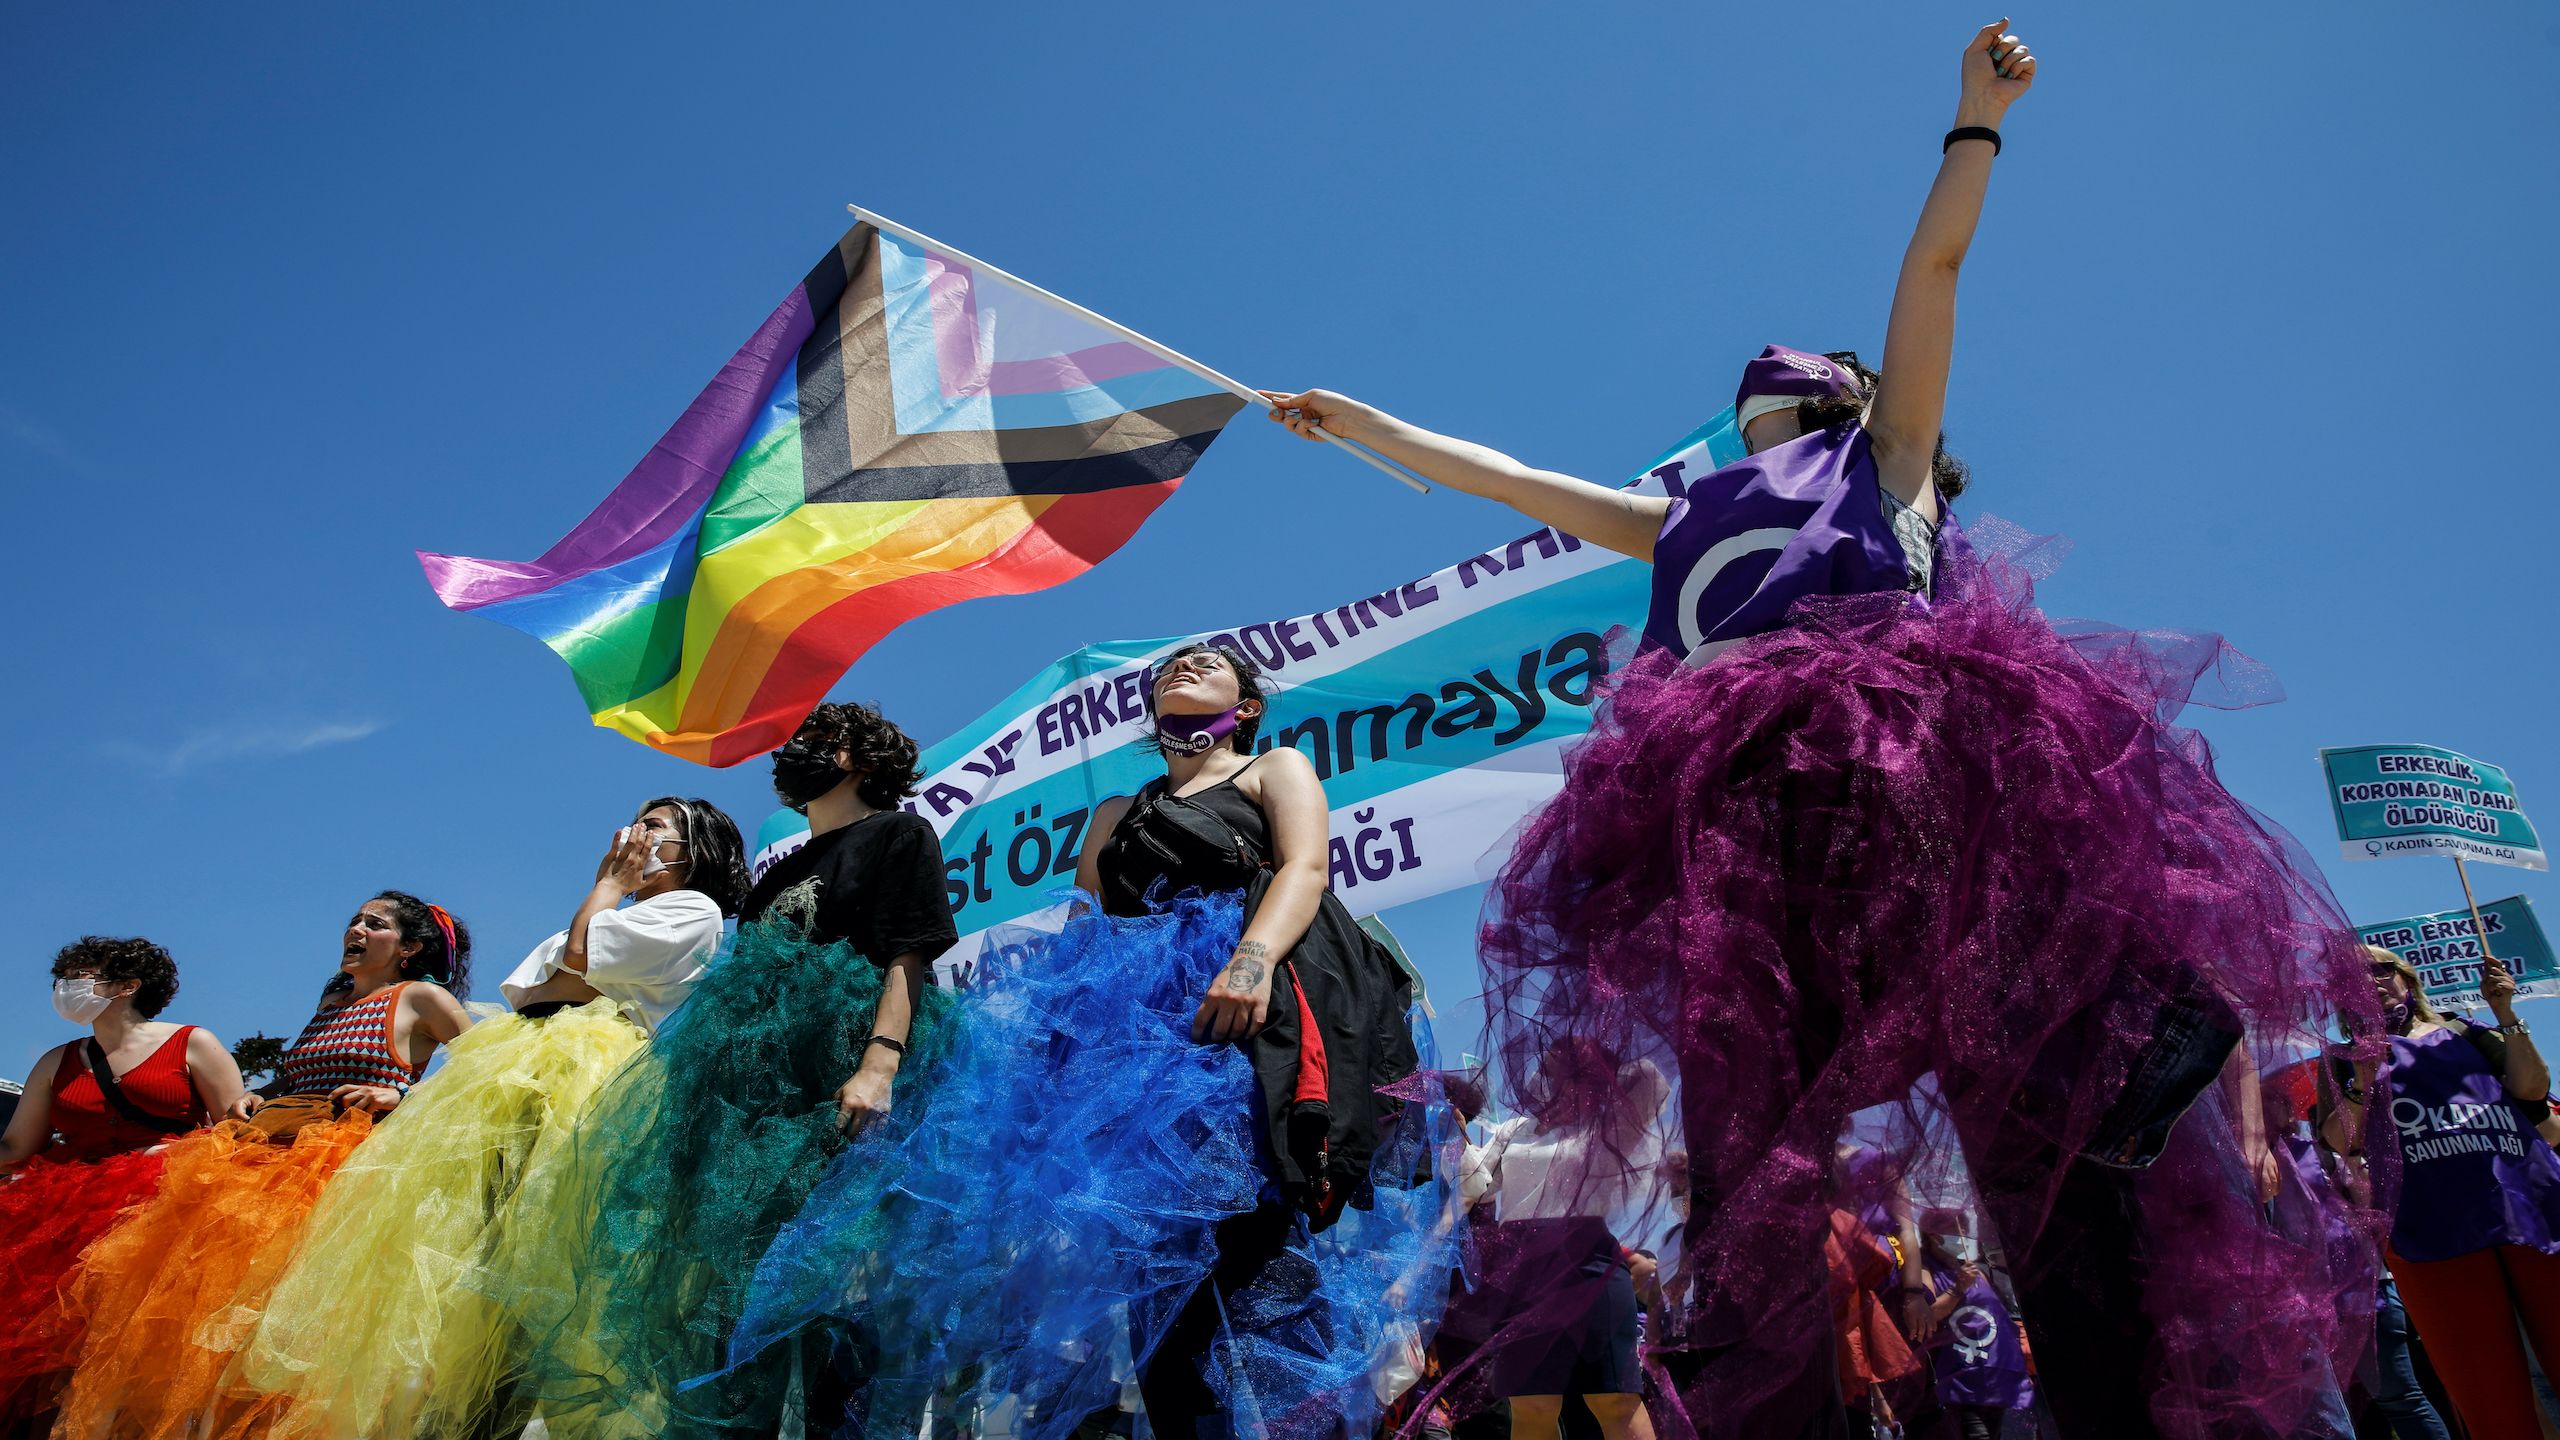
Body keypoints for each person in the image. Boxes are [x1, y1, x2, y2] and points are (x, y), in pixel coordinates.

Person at [1264, 20, 2374, 1438]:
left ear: (1841, 401)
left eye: (1788, 397)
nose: (1760, 417)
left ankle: (2143, 1300)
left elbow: (1934, 272)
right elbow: (1515, 482)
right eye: (1747, 410)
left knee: (2063, 1151)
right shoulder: (1683, 515)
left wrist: (1976, 123)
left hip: (1940, 825)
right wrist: (1363, 425)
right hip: (1765, 874)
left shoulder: (1890, 461)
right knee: (1756, 1188)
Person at [727, 643, 1443, 1440]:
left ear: (1244, 705)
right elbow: (1084, 936)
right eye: (1174, 664)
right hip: (1138, 1054)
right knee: (1153, 1274)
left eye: (1211, 664)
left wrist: (1253, 960)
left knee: (1257, 1249)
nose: (1186, 664)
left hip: (1242, 1024)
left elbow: (1305, 868)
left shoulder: (1272, 768)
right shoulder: (1115, 814)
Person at [505, 703, 960, 1440]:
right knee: (736, 1289)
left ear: (865, 762)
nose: (800, 750)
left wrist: (879, 1065)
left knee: (824, 1281)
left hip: (839, 1070)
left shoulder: (898, 833)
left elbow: (909, 952)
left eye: (822, 740)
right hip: (757, 1092)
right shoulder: (779, 872)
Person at [232, 798, 748, 1440]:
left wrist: (608, 888)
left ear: (692, 851)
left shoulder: (691, 910)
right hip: (524, 1060)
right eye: (635, 820)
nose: (635, 832)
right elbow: (535, 991)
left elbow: (578, 965)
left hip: (583, 1069)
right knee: (472, 1259)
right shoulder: (624, 908)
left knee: (537, 1252)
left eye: (655, 825)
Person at [49, 893, 472, 1440]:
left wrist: (399, 1096)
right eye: (354, 920)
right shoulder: (332, 1002)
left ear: (409, 947)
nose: (357, 929)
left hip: (351, 1167)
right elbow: (299, 1080)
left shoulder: (419, 997)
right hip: (274, 1155)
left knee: (299, 1326)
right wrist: (259, 1094)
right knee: (216, 1317)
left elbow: (487, 1066)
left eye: (376, 924)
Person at [0, 938, 244, 1431]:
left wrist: (178, 1154)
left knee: (139, 1349)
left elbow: (237, 1131)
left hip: (164, 1211)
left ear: (129, 985)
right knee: (62, 1349)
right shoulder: (57, 1060)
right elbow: (14, 1148)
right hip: (69, 1217)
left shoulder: (193, 1042)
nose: (66, 988)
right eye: (62, 978)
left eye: (82, 976)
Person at [2326, 945, 2560, 1439]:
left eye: (2383, 968)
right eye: (2355, 975)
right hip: (2429, 1231)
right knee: (2489, 1394)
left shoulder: (2464, 1032)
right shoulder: (2340, 1062)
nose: (2372, 979)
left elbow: (2533, 1089)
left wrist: (2505, 1014)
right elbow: (2338, 1140)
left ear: (2406, 978)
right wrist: (2365, 1075)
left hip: (2528, 1212)